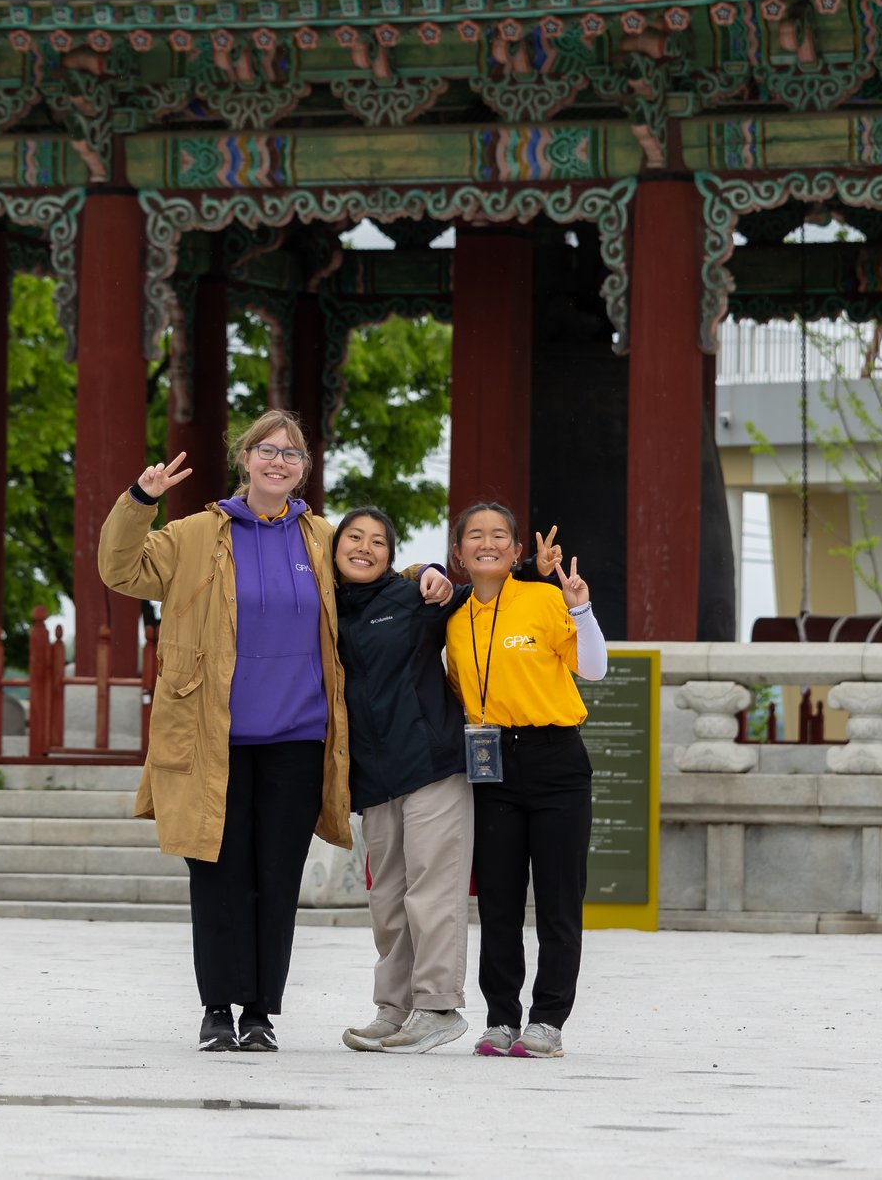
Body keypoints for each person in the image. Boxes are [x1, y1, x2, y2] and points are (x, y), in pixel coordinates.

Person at [100, 409, 351, 1054]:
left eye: (291, 454)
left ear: (303, 468)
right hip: (214, 737)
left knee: (277, 878)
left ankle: (261, 1012)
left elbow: (372, 580)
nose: (278, 462)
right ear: (245, 459)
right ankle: (217, 1009)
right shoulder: (194, 534)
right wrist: (140, 501)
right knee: (216, 876)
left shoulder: (323, 539)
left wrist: (425, 578)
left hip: (298, 740)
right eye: (267, 450)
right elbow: (120, 570)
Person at [332, 512, 566, 1055]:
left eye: (377, 542)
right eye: (354, 539)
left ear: (392, 555)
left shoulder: (416, 597)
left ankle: (437, 1006)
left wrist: (527, 569)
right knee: (387, 899)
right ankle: (393, 1009)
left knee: (431, 893)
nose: (365, 549)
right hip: (374, 776)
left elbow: (483, 590)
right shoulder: (326, 608)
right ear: (334, 548)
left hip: (433, 766)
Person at [444, 501, 607, 1060]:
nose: (486, 543)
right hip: (491, 764)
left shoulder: (543, 598)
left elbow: (594, 668)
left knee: (559, 899)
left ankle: (548, 1021)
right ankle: (500, 1019)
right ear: (459, 552)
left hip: (556, 760)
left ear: (516, 551)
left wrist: (581, 608)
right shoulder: (454, 616)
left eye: (499, 536)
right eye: (474, 535)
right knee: (498, 902)